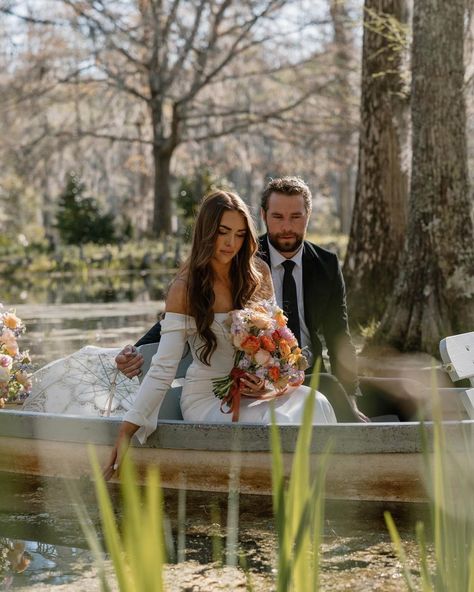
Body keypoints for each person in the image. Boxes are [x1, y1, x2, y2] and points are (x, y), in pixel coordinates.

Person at [104, 190, 336, 479]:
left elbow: (277, 344)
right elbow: (163, 369)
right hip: (207, 398)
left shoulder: (258, 274)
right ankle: (288, 490)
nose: (231, 243)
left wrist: (267, 383)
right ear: (206, 232)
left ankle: (322, 489)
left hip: (254, 393)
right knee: (279, 418)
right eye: (223, 232)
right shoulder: (185, 288)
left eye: (239, 234)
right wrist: (127, 430)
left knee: (315, 401)